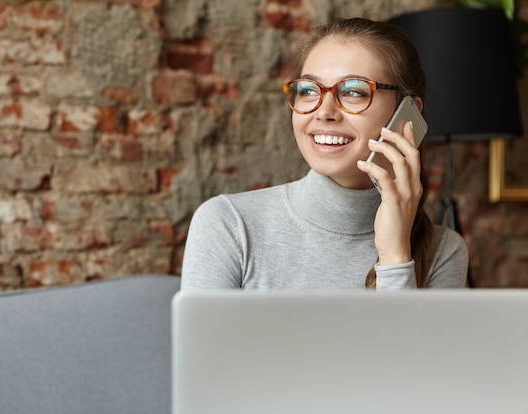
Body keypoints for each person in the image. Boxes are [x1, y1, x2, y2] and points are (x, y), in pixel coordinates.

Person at [181, 17, 469, 290]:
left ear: (407, 114)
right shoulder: (227, 225)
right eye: (308, 90)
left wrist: (395, 256)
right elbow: (201, 344)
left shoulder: (443, 252)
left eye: (354, 91)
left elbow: (404, 345)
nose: (324, 112)